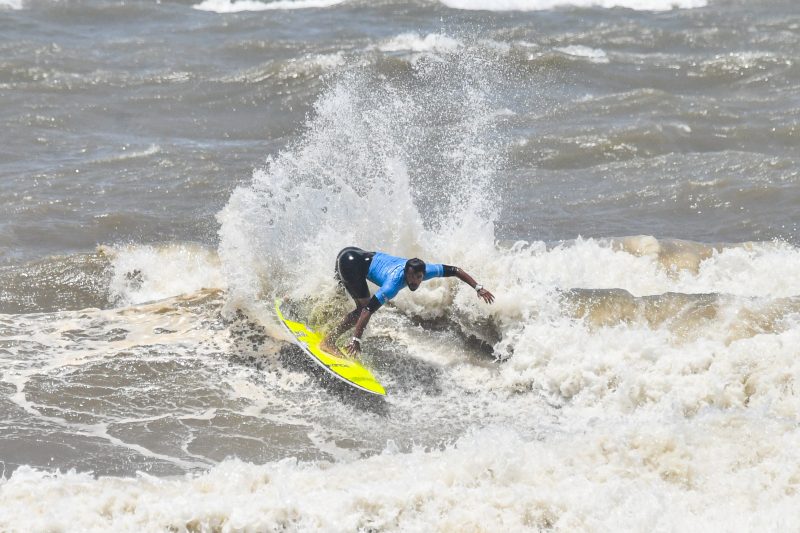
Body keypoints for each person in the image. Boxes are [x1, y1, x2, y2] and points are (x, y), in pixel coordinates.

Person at [321, 247, 495, 356]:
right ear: (405, 272)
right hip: (351, 263)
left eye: (417, 278)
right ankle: (328, 341)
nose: (413, 282)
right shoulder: (392, 284)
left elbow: (455, 270)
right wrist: (356, 340)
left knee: (341, 296)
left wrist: (478, 287)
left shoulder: (427, 271)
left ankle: (322, 318)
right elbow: (368, 310)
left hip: (351, 253)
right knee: (360, 308)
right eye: (410, 277)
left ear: (423, 274)